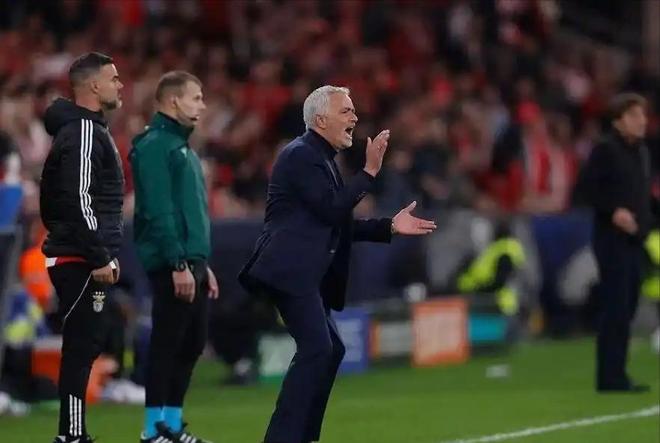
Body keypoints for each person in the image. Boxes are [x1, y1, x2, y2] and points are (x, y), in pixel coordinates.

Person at [239, 85, 437, 443]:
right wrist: (369, 172)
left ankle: (301, 436)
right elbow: (333, 211)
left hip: (303, 274)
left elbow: (336, 223)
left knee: (330, 349)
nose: (355, 118)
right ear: (320, 120)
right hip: (290, 271)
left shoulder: (321, 159)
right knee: (318, 349)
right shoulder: (300, 155)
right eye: (346, 111)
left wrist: (389, 226)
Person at [39, 52, 125, 443]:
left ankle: (73, 433)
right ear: (94, 85)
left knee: (86, 344)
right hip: (80, 258)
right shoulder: (83, 131)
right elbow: (79, 198)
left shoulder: (83, 130)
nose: (120, 85)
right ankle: (71, 435)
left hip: (81, 254)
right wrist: (99, 255)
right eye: (114, 78)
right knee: (80, 346)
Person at [130, 71, 219, 443]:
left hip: (191, 261)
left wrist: (201, 263)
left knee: (192, 343)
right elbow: (159, 210)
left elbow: (189, 213)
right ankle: (153, 430)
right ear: (173, 101)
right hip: (172, 262)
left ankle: (171, 425)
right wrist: (178, 263)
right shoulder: (155, 146)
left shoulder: (182, 147)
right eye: (196, 97)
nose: (202, 105)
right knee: (168, 343)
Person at [583, 92, 653, 393]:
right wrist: (614, 211)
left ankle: (617, 372)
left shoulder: (641, 152)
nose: (642, 121)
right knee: (617, 307)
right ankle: (610, 377)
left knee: (629, 305)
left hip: (635, 239)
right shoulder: (605, 150)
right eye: (634, 115)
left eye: (643, 115)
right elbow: (588, 189)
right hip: (612, 240)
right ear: (617, 120)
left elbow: (642, 195)